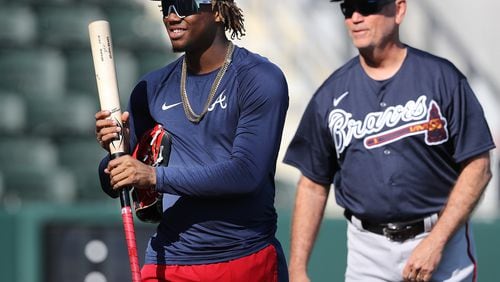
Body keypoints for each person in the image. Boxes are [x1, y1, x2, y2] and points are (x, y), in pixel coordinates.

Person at [283, 0, 495, 281]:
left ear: (399, 10)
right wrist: (297, 269)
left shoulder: (442, 78)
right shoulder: (331, 94)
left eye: (367, 6)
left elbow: (478, 167)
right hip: (367, 251)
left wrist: (437, 240)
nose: (356, 17)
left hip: (440, 242)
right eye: (347, 9)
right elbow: (312, 184)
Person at [94, 0, 289, 281]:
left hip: (243, 259)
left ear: (219, 11)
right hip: (167, 262)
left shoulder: (259, 78)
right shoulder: (149, 89)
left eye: (184, 4)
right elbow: (114, 183)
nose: (172, 16)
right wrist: (116, 151)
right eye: (166, 7)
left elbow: (245, 173)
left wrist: (152, 176)